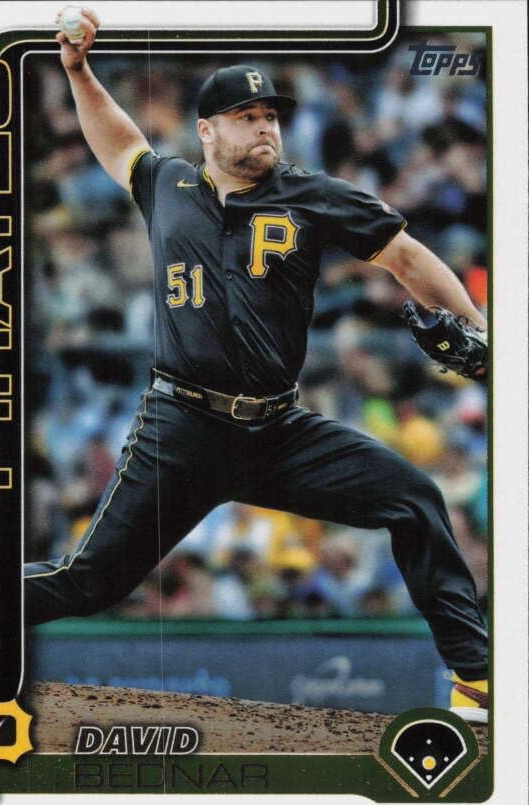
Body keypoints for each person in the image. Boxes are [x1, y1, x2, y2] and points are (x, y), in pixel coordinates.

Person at [24, 8, 489, 723]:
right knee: (88, 583)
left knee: (414, 498)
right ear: (207, 131)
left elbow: (405, 255)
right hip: (180, 428)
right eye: (246, 117)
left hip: (280, 431)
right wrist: (79, 72)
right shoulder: (166, 184)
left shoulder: (312, 194)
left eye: (271, 115)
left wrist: (479, 328)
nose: (266, 126)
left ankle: (476, 681)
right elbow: (119, 141)